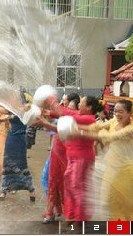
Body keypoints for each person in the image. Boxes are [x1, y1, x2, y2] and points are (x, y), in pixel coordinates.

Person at [72, 99, 133, 221]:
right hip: (111, 170)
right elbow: (96, 126)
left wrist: (79, 133)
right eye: (115, 111)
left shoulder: (132, 130)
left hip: (126, 173)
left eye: (121, 112)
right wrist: (75, 126)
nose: (117, 115)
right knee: (109, 203)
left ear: (129, 113)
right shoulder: (114, 121)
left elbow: (110, 137)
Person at [36, 95, 103, 227]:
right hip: (73, 157)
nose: (79, 106)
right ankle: (72, 215)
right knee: (70, 187)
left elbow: (66, 114)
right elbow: (65, 114)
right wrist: (46, 113)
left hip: (82, 158)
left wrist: (50, 99)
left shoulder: (88, 119)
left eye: (82, 103)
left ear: (89, 107)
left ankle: (80, 219)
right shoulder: (79, 115)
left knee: (77, 188)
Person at [38, 93, 79, 224]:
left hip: (68, 155)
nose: (66, 107)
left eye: (70, 106)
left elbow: (56, 126)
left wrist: (49, 101)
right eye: (66, 104)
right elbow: (51, 113)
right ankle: (51, 212)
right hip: (56, 153)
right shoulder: (64, 114)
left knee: (67, 184)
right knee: (52, 182)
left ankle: (70, 213)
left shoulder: (76, 119)